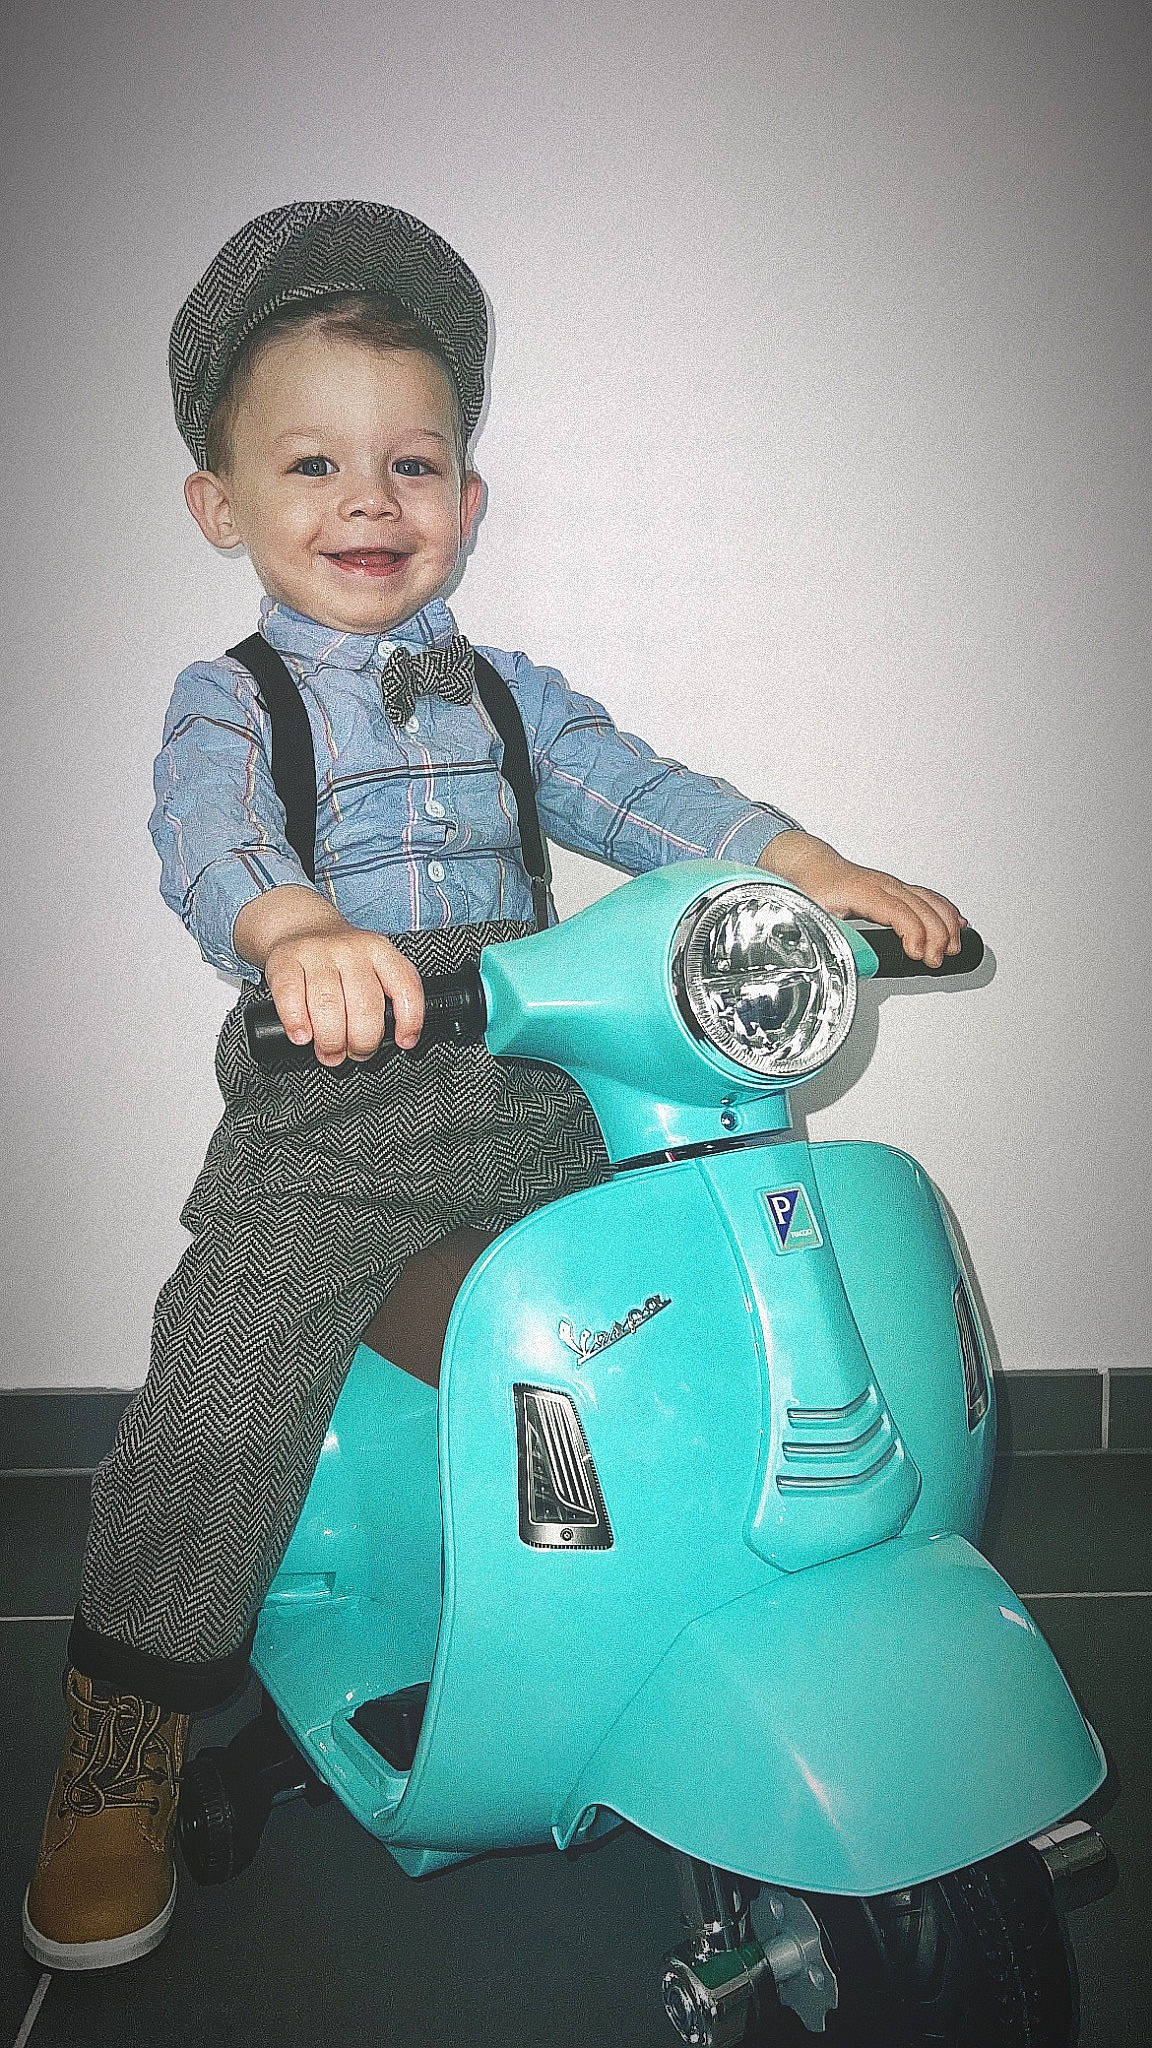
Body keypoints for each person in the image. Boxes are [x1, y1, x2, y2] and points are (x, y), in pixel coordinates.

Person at [22, 200, 965, 1971]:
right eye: (313, 463)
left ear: (470, 500)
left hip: (538, 1081)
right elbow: (204, 838)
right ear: (221, 507)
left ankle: (699, 1591)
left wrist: (813, 864)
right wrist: (296, 928)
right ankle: (125, 1735)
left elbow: (641, 794)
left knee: (692, 1279)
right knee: (225, 1373)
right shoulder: (229, 703)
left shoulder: (516, 698)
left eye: (414, 462)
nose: (369, 502)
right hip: (335, 1110)